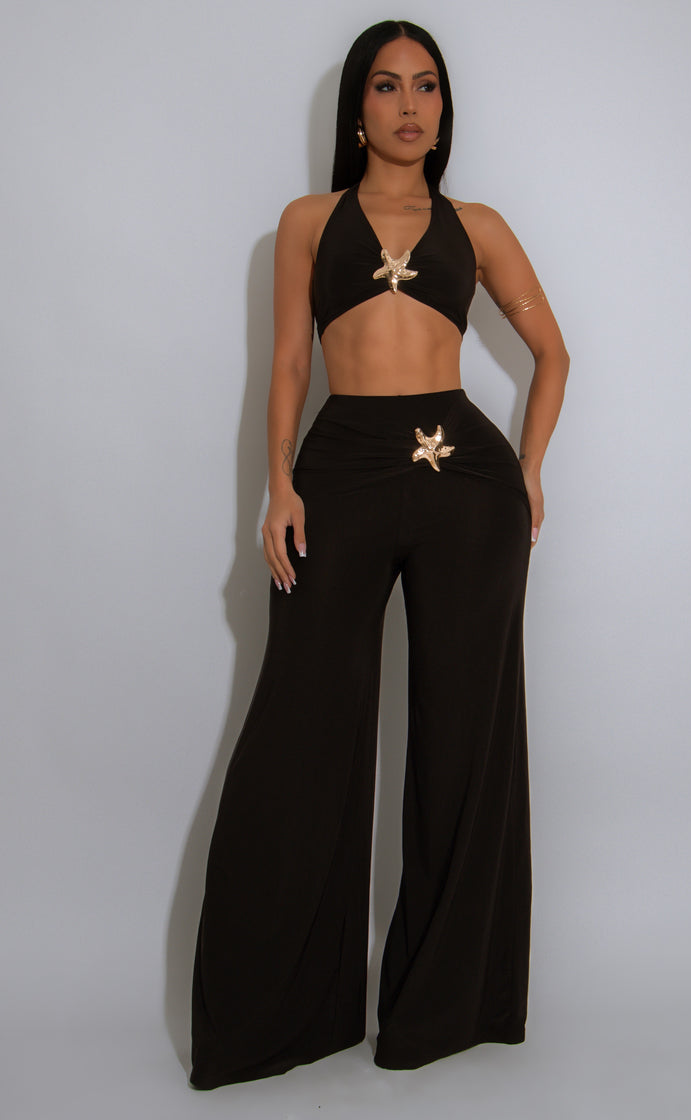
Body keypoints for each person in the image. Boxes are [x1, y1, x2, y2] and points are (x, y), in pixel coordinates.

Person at [189, 19, 569, 1091]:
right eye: (389, 86)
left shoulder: (478, 226)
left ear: (444, 110)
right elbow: (286, 366)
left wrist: (529, 471)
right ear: (356, 107)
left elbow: (552, 352)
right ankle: (276, 1020)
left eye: (427, 87)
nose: (410, 105)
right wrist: (278, 483)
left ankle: (444, 1007)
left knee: (464, 739)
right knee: (299, 732)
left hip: (467, 491)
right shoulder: (307, 222)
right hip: (340, 477)